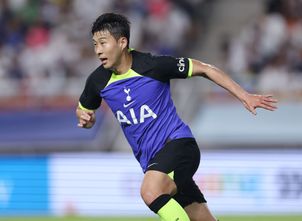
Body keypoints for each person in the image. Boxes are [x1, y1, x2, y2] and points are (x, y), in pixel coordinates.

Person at [76, 13, 277, 221]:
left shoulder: (152, 65)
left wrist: (243, 95)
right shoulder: (97, 81)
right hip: (155, 163)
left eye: (102, 43)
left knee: (150, 191)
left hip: (178, 145)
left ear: (122, 42)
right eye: (94, 44)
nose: (98, 50)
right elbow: (84, 110)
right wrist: (86, 118)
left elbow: (205, 69)